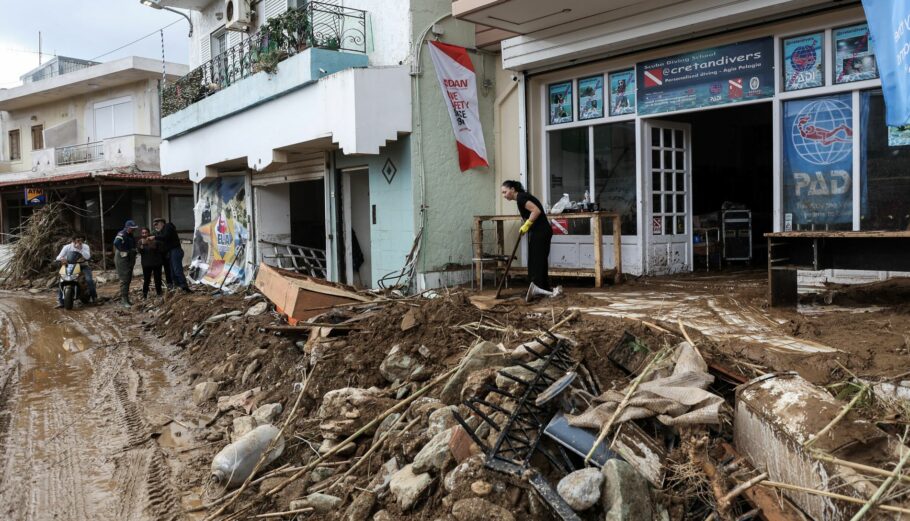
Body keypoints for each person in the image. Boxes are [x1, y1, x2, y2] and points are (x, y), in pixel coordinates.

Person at [500, 180, 560, 301]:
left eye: (505, 192)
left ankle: (538, 290)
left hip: (541, 232)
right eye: (502, 193)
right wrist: (527, 226)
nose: (504, 195)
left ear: (512, 189)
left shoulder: (521, 197)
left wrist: (527, 224)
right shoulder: (521, 198)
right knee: (537, 259)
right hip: (540, 231)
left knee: (537, 260)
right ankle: (542, 289)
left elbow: (536, 211)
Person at [54, 234, 97, 308]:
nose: (80, 242)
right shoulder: (67, 247)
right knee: (62, 280)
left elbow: (88, 256)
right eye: (78, 240)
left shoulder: (85, 246)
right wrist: (62, 259)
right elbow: (58, 257)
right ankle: (61, 302)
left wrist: (81, 249)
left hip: (83, 265)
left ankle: (94, 298)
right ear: (73, 241)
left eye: (81, 240)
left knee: (89, 280)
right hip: (69, 265)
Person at [153, 217, 191, 293]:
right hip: (170, 252)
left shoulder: (168, 226)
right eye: (154, 225)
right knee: (172, 272)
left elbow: (165, 237)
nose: (155, 227)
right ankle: (178, 287)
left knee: (177, 270)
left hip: (175, 251)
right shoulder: (161, 232)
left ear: (161, 223)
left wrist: (155, 237)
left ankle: (184, 287)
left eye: (156, 224)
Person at [113, 220, 139, 307]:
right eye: (132, 228)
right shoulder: (122, 233)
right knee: (124, 279)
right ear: (128, 227)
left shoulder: (130, 235)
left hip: (129, 259)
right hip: (122, 258)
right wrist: (124, 250)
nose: (134, 230)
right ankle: (124, 300)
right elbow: (116, 243)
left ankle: (126, 298)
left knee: (128, 278)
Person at [138, 227, 164, 299]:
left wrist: (151, 243)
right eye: (143, 233)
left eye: (145, 232)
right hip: (146, 264)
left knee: (158, 279)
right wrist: (142, 247)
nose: (144, 234)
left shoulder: (155, 240)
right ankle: (144, 295)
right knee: (146, 280)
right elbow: (140, 251)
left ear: (148, 233)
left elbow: (160, 249)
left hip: (156, 263)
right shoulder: (140, 241)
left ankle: (159, 293)